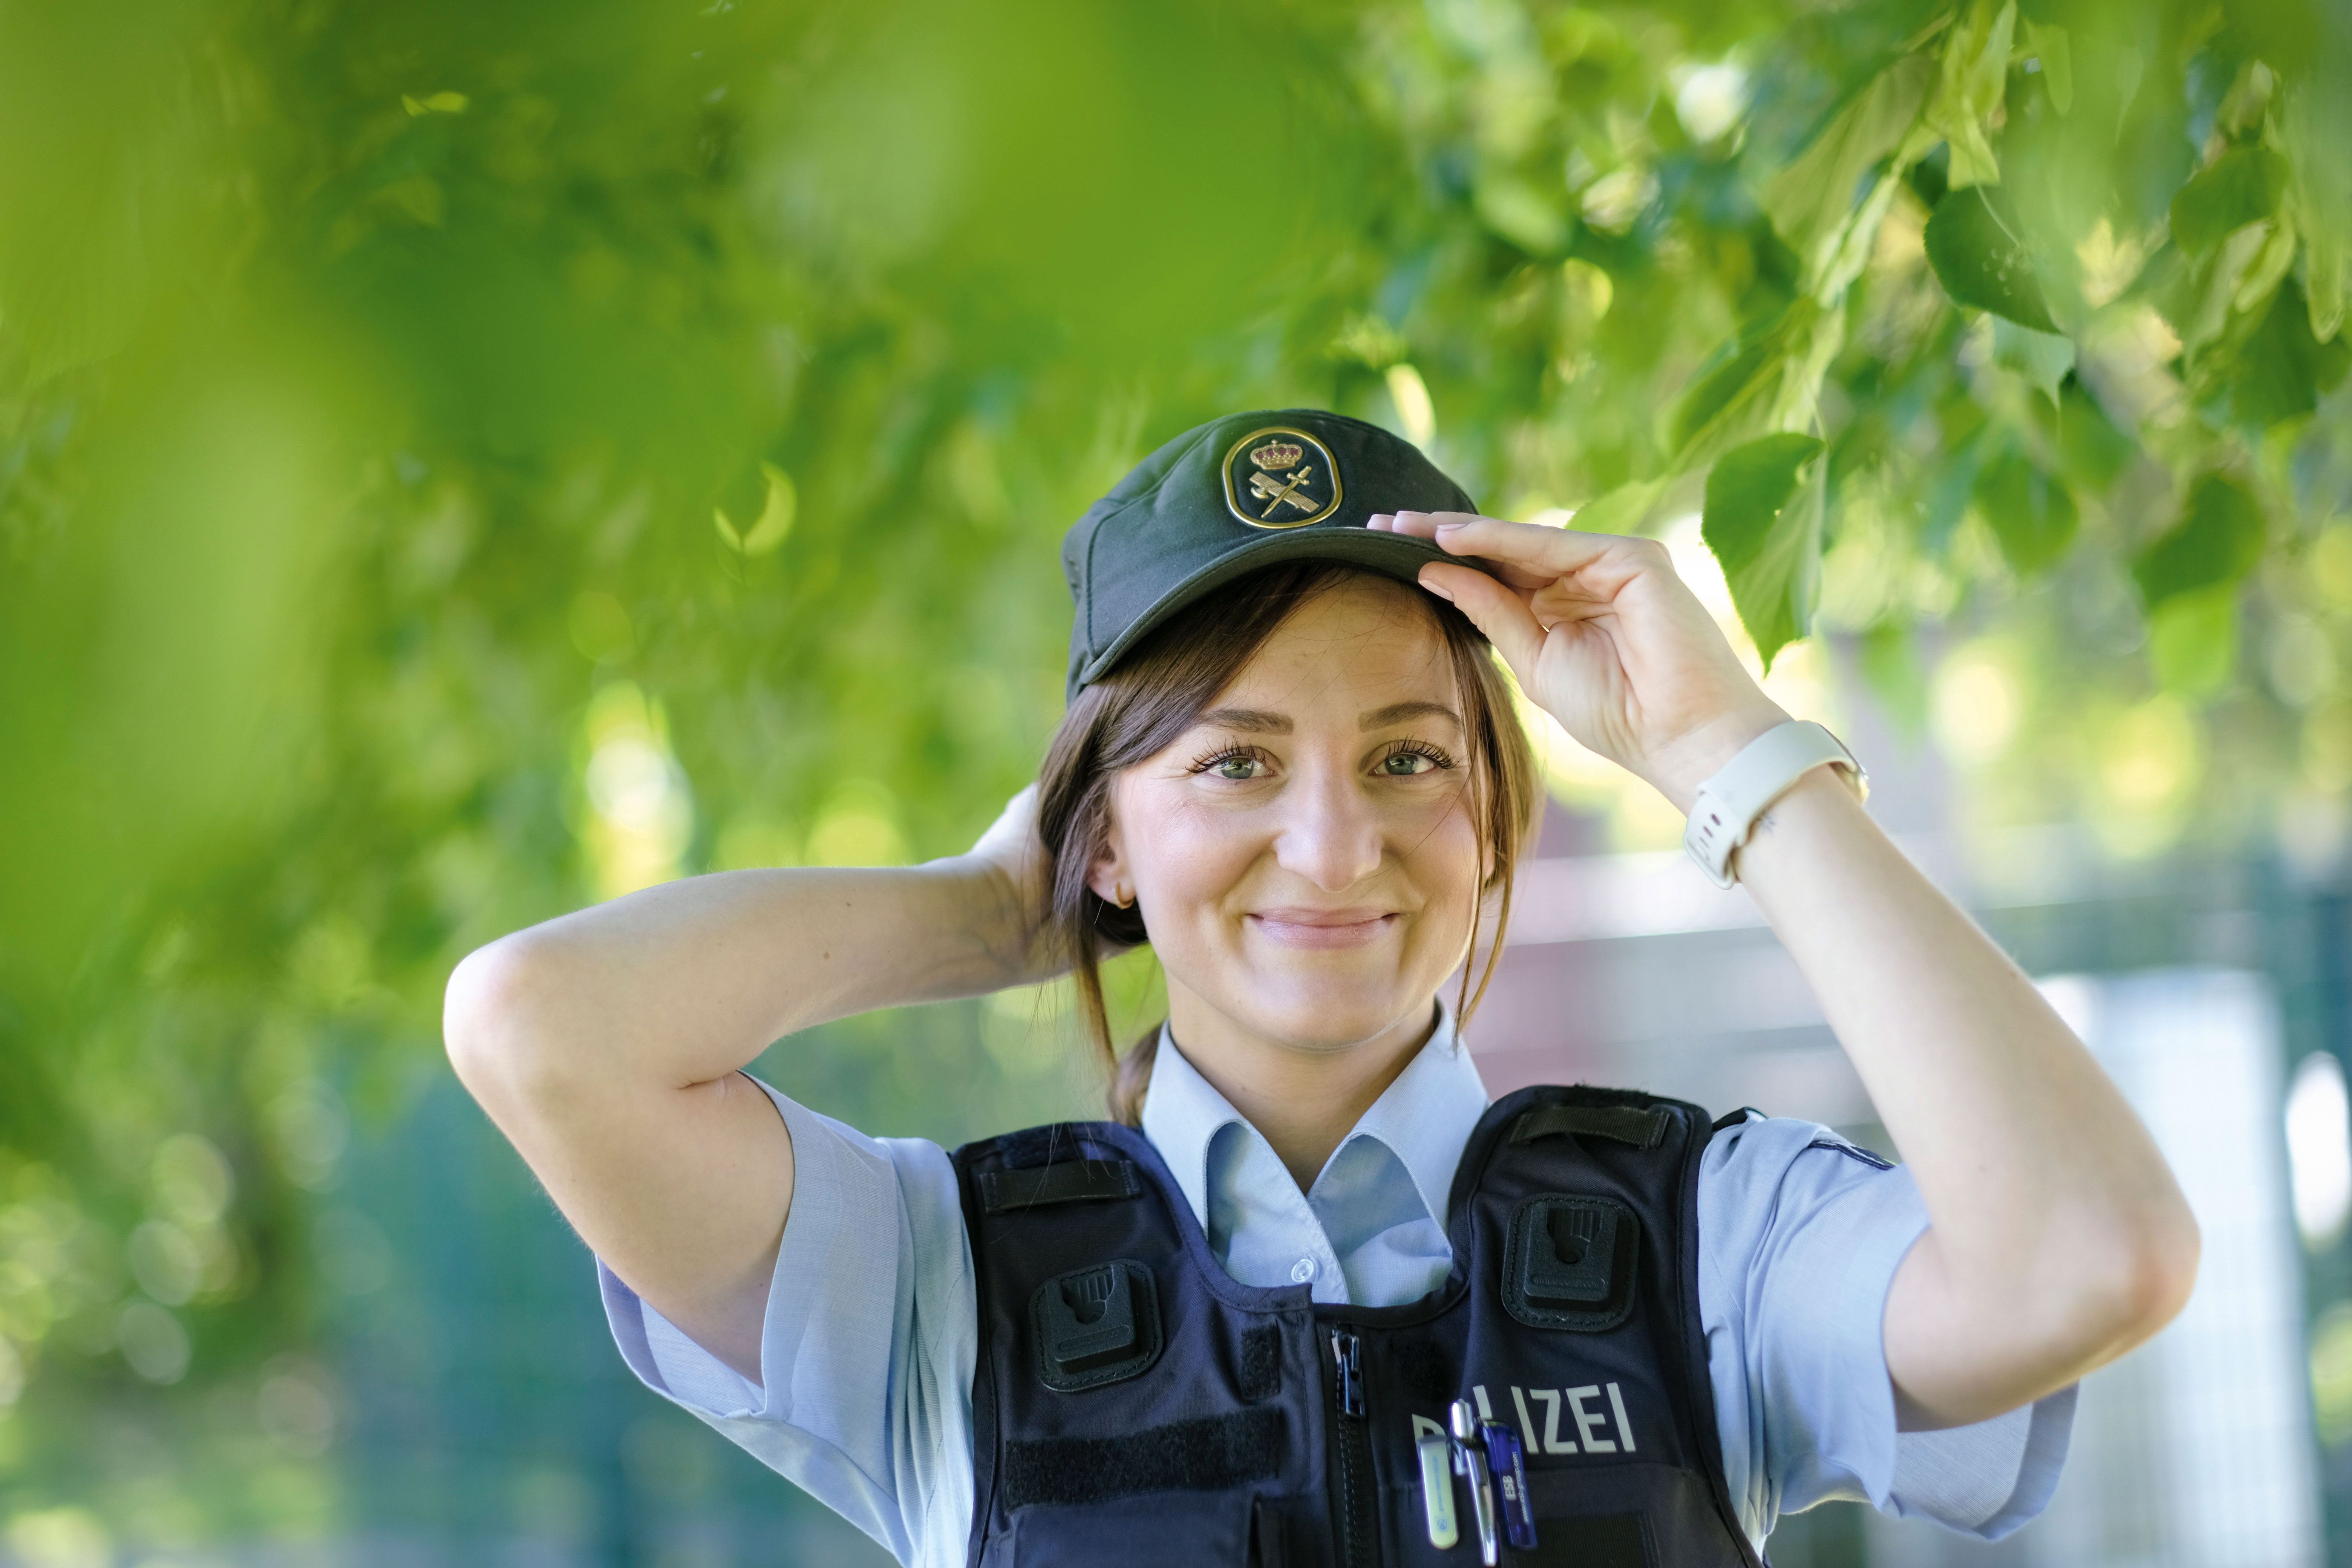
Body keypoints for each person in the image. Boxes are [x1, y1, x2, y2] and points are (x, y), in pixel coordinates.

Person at [444, 410, 2198, 1566]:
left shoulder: (1700, 1236)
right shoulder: (938, 1286)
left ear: (1496, 819)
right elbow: (541, 1027)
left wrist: (1726, 753)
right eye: (1234, 764)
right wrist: (998, 905)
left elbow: (2089, 1258)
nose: (1336, 841)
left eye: (1412, 757)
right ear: (1108, 831)